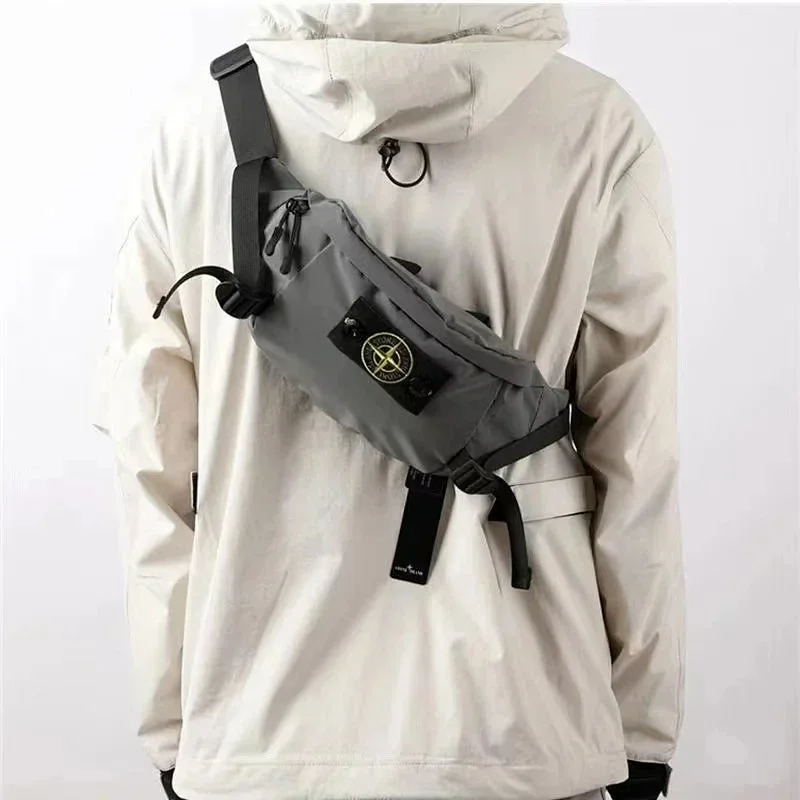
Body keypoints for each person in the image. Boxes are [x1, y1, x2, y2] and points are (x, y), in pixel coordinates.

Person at [91, 4, 685, 800]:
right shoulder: (596, 127)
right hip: (519, 724)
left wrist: (172, 724)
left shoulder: (191, 134)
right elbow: (637, 451)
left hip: (258, 725)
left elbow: (152, 458)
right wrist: (642, 725)